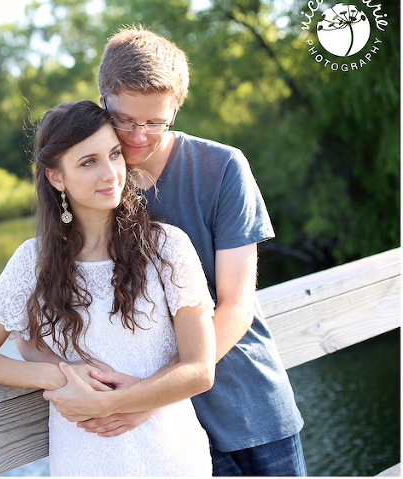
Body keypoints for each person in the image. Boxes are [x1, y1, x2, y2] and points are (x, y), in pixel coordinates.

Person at [22, 26, 306, 476]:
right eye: (124, 119)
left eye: (155, 121)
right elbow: (35, 316)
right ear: (102, 101)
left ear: (176, 108)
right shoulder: (92, 184)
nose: (137, 135)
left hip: (245, 416)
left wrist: (150, 394)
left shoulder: (222, 168)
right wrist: (91, 384)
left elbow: (236, 306)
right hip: (156, 442)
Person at [0, 100, 217, 476]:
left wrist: (111, 403)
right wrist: (60, 374)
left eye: (114, 154)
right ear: (55, 177)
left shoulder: (167, 247)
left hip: (170, 456)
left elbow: (198, 370)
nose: (111, 172)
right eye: (88, 162)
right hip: (84, 460)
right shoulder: (33, 260)